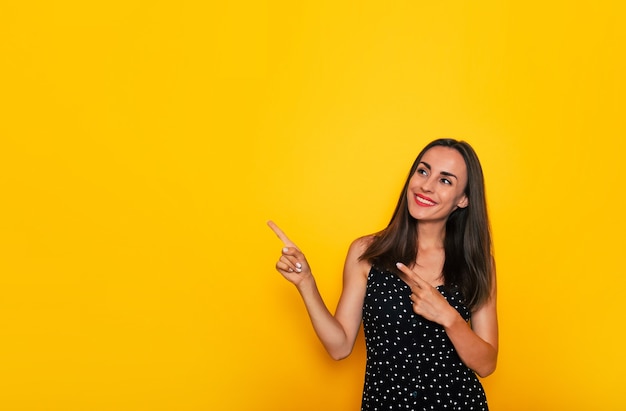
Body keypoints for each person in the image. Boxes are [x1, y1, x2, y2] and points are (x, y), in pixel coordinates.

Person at [268, 138, 498, 410]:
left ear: (463, 198)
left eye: (445, 181)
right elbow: (339, 347)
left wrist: (447, 316)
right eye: (423, 171)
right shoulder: (366, 252)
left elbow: (486, 364)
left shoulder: (476, 262)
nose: (426, 185)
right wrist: (306, 282)